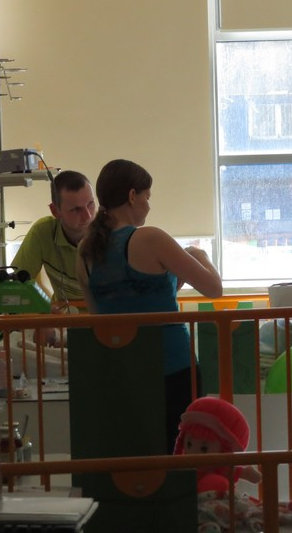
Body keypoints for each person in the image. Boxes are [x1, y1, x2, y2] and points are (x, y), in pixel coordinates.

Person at [77, 159, 222, 454]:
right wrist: (201, 256)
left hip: (121, 372)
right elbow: (213, 288)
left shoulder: (85, 250)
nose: (149, 206)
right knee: (179, 454)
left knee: (137, 457)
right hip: (172, 366)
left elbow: (107, 312)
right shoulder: (150, 238)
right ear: (132, 196)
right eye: (147, 197)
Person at [11, 170, 96, 345]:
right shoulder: (43, 233)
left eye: (91, 204)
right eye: (75, 209)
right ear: (55, 210)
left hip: (105, 319)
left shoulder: (111, 234)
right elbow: (16, 284)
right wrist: (40, 309)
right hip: (62, 321)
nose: (88, 216)